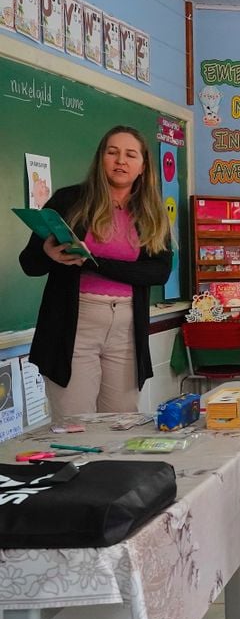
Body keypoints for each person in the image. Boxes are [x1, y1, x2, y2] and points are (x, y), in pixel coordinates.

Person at [19, 125, 172, 420]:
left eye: (130, 155)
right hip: (75, 325)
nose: (120, 161)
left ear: (143, 166)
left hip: (127, 327)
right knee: (74, 424)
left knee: (121, 422)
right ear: (100, 158)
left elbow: (158, 272)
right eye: (112, 152)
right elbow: (29, 263)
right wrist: (48, 255)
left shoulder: (151, 212)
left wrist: (93, 262)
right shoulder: (69, 201)